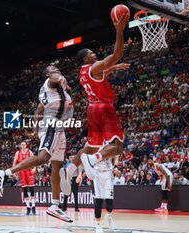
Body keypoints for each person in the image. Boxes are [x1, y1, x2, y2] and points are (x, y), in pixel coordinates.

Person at [59, 12, 129, 193]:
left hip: (92, 109)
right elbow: (117, 54)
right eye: (91, 53)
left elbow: (100, 75)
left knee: (90, 147)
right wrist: (119, 31)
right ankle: (94, 159)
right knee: (117, 147)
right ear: (85, 59)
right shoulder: (94, 67)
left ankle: (68, 170)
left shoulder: (83, 72)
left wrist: (112, 68)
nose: (94, 53)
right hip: (105, 109)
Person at [0, 65, 74, 222]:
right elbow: (53, 79)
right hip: (53, 124)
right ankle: (4, 173)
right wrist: (60, 78)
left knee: (56, 167)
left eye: (58, 69)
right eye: (53, 69)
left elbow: (38, 110)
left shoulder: (49, 93)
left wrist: (35, 129)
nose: (57, 70)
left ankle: (55, 205)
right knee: (43, 158)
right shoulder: (51, 82)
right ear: (47, 74)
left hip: (58, 127)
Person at [12, 141, 36, 215]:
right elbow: (14, 162)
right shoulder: (17, 153)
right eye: (22, 144)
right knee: (25, 191)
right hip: (22, 173)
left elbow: (34, 160)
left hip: (29, 172)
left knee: (31, 190)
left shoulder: (29, 152)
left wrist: (34, 168)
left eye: (24, 144)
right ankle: (28, 207)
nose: (23, 145)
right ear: (20, 146)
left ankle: (34, 207)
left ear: (26, 145)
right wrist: (14, 170)